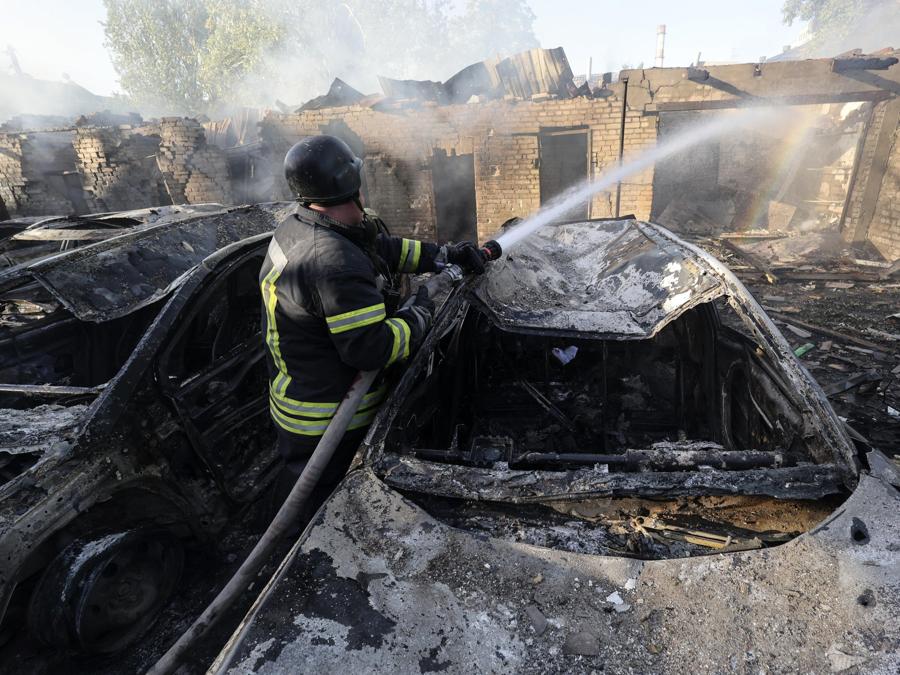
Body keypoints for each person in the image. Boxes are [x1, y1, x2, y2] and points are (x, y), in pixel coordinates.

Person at [260, 134, 485, 513]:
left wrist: (444, 255)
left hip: (296, 396)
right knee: (325, 510)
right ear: (353, 185)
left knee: (304, 487)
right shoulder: (332, 261)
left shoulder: (303, 226)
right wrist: (420, 310)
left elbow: (383, 248)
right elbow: (372, 349)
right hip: (327, 421)